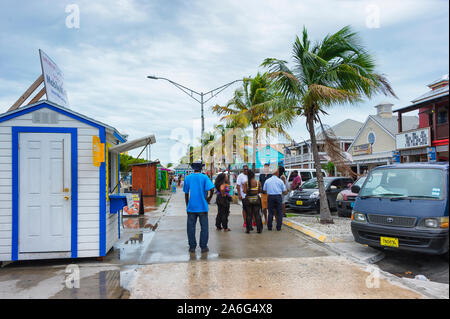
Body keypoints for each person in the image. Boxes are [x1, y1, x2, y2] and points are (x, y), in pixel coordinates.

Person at [183, 161, 215, 253]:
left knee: (190, 228)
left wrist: (187, 205)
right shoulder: (205, 177)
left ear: (193, 168)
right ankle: (203, 247)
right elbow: (212, 189)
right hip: (203, 207)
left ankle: (192, 247)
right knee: (204, 228)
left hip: (191, 207)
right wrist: (208, 198)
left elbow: (186, 193)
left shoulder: (188, 178)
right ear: (201, 168)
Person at [263, 166, 288, 231]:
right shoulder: (280, 181)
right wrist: (286, 192)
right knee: (279, 212)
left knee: (270, 212)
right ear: (277, 173)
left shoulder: (267, 181)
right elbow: (284, 191)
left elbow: (264, 190)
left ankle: (269, 227)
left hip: (270, 196)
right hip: (278, 197)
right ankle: (278, 227)